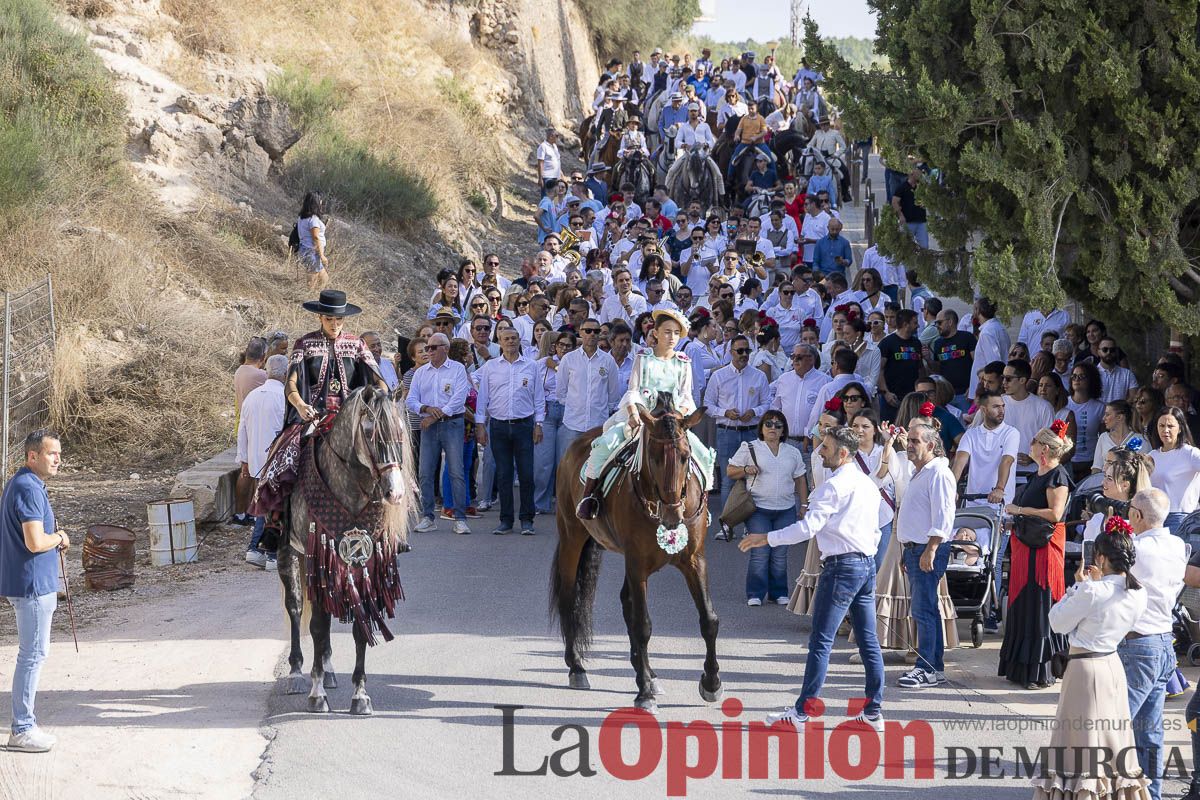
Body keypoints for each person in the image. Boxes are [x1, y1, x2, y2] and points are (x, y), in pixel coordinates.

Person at [740, 426, 886, 732]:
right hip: (865, 564)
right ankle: (873, 711)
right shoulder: (867, 483)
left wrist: (767, 538)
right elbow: (879, 522)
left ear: (843, 453)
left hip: (841, 567)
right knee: (868, 640)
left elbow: (807, 529)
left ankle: (802, 713)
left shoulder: (833, 488)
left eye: (827, 448)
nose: (820, 452)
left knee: (821, 642)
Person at [1031, 521, 1151, 800]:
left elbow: (1056, 622)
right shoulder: (1138, 592)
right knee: (1113, 735)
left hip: (1085, 668)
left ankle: (1084, 792)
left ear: (1100, 557)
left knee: (1079, 737)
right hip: (1112, 665)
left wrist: (1078, 586)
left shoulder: (1093, 591)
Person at [250, 291, 385, 530]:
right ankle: (277, 520)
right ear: (320, 318)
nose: (335, 325)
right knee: (281, 456)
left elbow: (378, 380)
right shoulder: (305, 344)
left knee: (387, 455)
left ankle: (389, 518)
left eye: (339, 320)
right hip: (313, 416)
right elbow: (291, 383)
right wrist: (301, 405)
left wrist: (378, 400)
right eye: (329, 320)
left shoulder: (357, 345)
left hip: (353, 417)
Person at [575, 311, 715, 519]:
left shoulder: (683, 361)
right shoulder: (644, 358)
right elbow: (633, 390)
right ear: (656, 333)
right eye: (667, 332)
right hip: (642, 416)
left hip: (672, 421)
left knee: (704, 455)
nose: (672, 337)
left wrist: (678, 416)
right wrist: (633, 413)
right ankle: (589, 497)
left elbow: (687, 396)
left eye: (676, 333)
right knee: (606, 444)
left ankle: (702, 505)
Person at [0, 430, 67, 752]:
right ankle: (22, 728)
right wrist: (61, 538)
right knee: (32, 655)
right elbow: (35, 541)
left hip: (29, 583)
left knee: (33, 654)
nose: (57, 459)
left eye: (58, 453)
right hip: (32, 586)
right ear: (32, 456)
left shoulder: (23, 484)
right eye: (51, 453)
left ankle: (23, 726)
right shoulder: (28, 487)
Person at [1122, 488, 1185, 800]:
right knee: (1150, 732)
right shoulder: (1178, 546)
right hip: (1163, 641)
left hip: (1139, 643)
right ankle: (1152, 794)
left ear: (1137, 516)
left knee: (1117, 724)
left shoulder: (1135, 547)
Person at [999, 422, 1073, 689]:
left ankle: (1041, 669)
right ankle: (1021, 668)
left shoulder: (1058, 476)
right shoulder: (1037, 475)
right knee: (1025, 601)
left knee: (1040, 602)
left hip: (1043, 549)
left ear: (1043, 448)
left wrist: (1019, 510)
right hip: (1025, 546)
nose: (1028, 445)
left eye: (1033, 441)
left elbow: (1055, 513)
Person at [894, 423, 956, 688]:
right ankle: (934, 667)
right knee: (925, 609)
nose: (909, 445)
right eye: (909, 440)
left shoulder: (939, 473)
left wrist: (930, 549)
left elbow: (944, 517)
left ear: (931, 445)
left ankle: (927, 668)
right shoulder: (921, 472)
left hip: (926, 548)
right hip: (915, 548)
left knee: (923, 610)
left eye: (915, 441)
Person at [729, 411, 808, 606]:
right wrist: (746, 470)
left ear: (783, 431)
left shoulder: (793, 452)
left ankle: (778, 592)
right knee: (760, 552)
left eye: (778, 425)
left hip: (786, 508)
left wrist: (804, 505)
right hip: (758, 508)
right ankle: (755, 593)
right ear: (762, 428)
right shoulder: (749, 448)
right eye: (769, 424)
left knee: (780, 553)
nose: (773, 428)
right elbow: (730, 471)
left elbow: (800, 479)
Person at [475, 328, 543, 536]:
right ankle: (505, 521)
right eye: (506, 339)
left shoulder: (531, 366)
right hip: (498, 426)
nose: (511, 342)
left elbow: (538, 398)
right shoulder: (490, 367)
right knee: (503, 474)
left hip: (524, 425)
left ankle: (527, 519)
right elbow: (482, 398)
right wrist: (479, 425)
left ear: (519, 340)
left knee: (526, 474)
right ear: (500, 342)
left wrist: (539, 424)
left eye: (514, 338)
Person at [704, 335, 772, 536]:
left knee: (753, 478)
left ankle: (750, 527)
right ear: (730, 352)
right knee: (728, 480)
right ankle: (727, 525)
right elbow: (708, 404)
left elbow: (768, 402)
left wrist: (755, 412)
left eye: (747, 351)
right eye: (739, 351)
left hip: (751, 432)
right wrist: (725, 413)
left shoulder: (758, 376)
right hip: (727, 432)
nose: (744, 355)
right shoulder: (719, 376)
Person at [406, 332, 472, 535]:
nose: (429, 351)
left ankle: (459, 518)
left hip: (452, 424)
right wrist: (425, 408)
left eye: (434, 347)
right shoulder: (421, 373)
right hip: (429, 426)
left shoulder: (458, 369)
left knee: (456, 471)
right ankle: (428, 516)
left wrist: (435, 415)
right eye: (427, 347)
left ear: (446, 348)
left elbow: (459, 398)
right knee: (425, 472)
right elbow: (411, 400)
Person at [237, 354, 287, 569]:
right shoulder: (284, 397)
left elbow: (242, 431)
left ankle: (255, 549)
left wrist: (245, 461)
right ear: (286, 374)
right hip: (278, 460)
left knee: (264, 504)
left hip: (257, 460)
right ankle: (271, 554)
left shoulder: (252, 396)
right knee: (274, 506)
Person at [556, 319, 621, 464]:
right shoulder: (568, 359)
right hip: (573, 424)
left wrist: (600, 410)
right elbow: (560, 391)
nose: (592, 334)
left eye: (596, 331)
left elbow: (613, 395)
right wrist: (575, 406)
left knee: (595, 469)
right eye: (588, 331)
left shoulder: (608, 361)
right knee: (569, 467)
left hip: (598, 425)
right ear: (580, 332)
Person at [952, 390, 1019, 506]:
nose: (1001, 411)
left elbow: (1007, 461)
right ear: (983, 410)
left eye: (1003, 406)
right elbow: (959, 462)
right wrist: (950, 488)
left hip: (1001, 503)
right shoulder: (970, 434)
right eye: (996, 407)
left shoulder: (1011, 433)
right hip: (972, 503)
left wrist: (999, 488)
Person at [532, 331, 573, 514]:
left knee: (564, 461)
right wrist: (537, 421)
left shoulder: (577, 364)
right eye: (561, 345)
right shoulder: (541, 364)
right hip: (547, 412)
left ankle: (564, 504)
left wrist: (557, 367)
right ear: (555, 346)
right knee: (543, 461)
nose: (564, 348)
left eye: (568, 345)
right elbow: (535, 391)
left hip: (568, 412)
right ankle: (540, 502)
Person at [232, 336, 269, 527]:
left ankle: (240, 513)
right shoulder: (260, 376)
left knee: (245, 468)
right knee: (256, 470)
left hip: (242, 422)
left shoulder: (240, 371)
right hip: (256, 424)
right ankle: (255, 512)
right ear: (263, 357)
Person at [1147, 406, 1200, 533]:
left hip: (1180, 518)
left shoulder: (1190, 453)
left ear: (1180, 428)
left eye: (1170, 426)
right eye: (1161, 426)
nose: (1165, 430)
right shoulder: (1152, 455)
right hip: (1154, 518)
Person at [1002, 358, 1055, 488]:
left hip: (1032, 476)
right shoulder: (997, 404)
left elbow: (1053, 443)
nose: (1004, 382)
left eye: (1008, 378)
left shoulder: (1044, 407)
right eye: (1003, 378)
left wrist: (1033, 457)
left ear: (1022, 380)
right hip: (1001, 475)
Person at [1082, 448, 1153, 543]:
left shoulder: (1135, 520)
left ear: (1125, 485)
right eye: (1105, 477)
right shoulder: (1098, 516)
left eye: (1110, 479)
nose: (1103, 482)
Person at [877, 309, 923, 422]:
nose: (918, 326)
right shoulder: (887, 343)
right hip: (892, 398)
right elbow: (879, 370)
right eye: (915, 323)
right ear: (905, 324)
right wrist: (886, 393)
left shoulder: (917, 343)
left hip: (912, 397)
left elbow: (920, 368)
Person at [1064, 362, 1105, 481]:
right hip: (1067, 462)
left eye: (1082, 376)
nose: (1077, 379)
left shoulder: (1100, 407)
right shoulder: (1064, 404)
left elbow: (1104, 437)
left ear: (1091, 380)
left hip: (1091, 463)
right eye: (1074, 376)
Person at [930, 309, 975, 410]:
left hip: (965, 394)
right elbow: (937, 369)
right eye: (936, 323)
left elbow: (976, 363)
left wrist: (973, 387)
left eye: (939, 322)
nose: (937, 326)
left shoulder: (967, 337)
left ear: (950, 322)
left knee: (965, 423)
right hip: (945, 396)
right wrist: (928, 359)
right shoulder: (938, 343)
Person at [1093, 400, 1149, 473]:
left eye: (1107, 414)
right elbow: (1096, 468)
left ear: (1119, 417)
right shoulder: (1103, 437)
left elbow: (1145, 469)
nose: (1104, 418)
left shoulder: (1139, 439)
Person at [296, 191, 330, 291]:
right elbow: (315, 237)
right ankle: (310, 297)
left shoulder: (302, 217)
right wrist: (322, 255)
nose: (321, 202)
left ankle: (317, 296)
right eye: (319, 200)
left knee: (324, 278)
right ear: (315, 203)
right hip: (311, 251)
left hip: (306, 250)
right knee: (313, 279)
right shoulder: (313, 219)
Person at [891, 169, 928, 247]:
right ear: (911, 174)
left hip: (921, 221)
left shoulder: (921, 187)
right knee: (906, 246)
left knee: (924, 246)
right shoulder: (902, 187)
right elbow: (894, 202)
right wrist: (900, 215)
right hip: (907, 222)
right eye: (918, 173)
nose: (920, 174)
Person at [1097, 337, 1139, 403]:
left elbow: (1134, 397)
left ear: (1116, 352)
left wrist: (1116, 410)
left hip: (1120, 412)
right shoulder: (1091, 373)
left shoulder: (1127, 374)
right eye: (1105, 349)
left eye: (1112, 350)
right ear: (1098, 352)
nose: (1108, 352)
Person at [536, 128, 561, 195]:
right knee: (546, 196)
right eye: (557, 136)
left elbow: (557, 161)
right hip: (547, 177)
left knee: (554, 197)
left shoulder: (554, 146)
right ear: (551, 136)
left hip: (555, 176)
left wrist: (561, 175)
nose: (558, 138)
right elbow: (540, 162)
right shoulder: (543, 146)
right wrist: (540, 178)